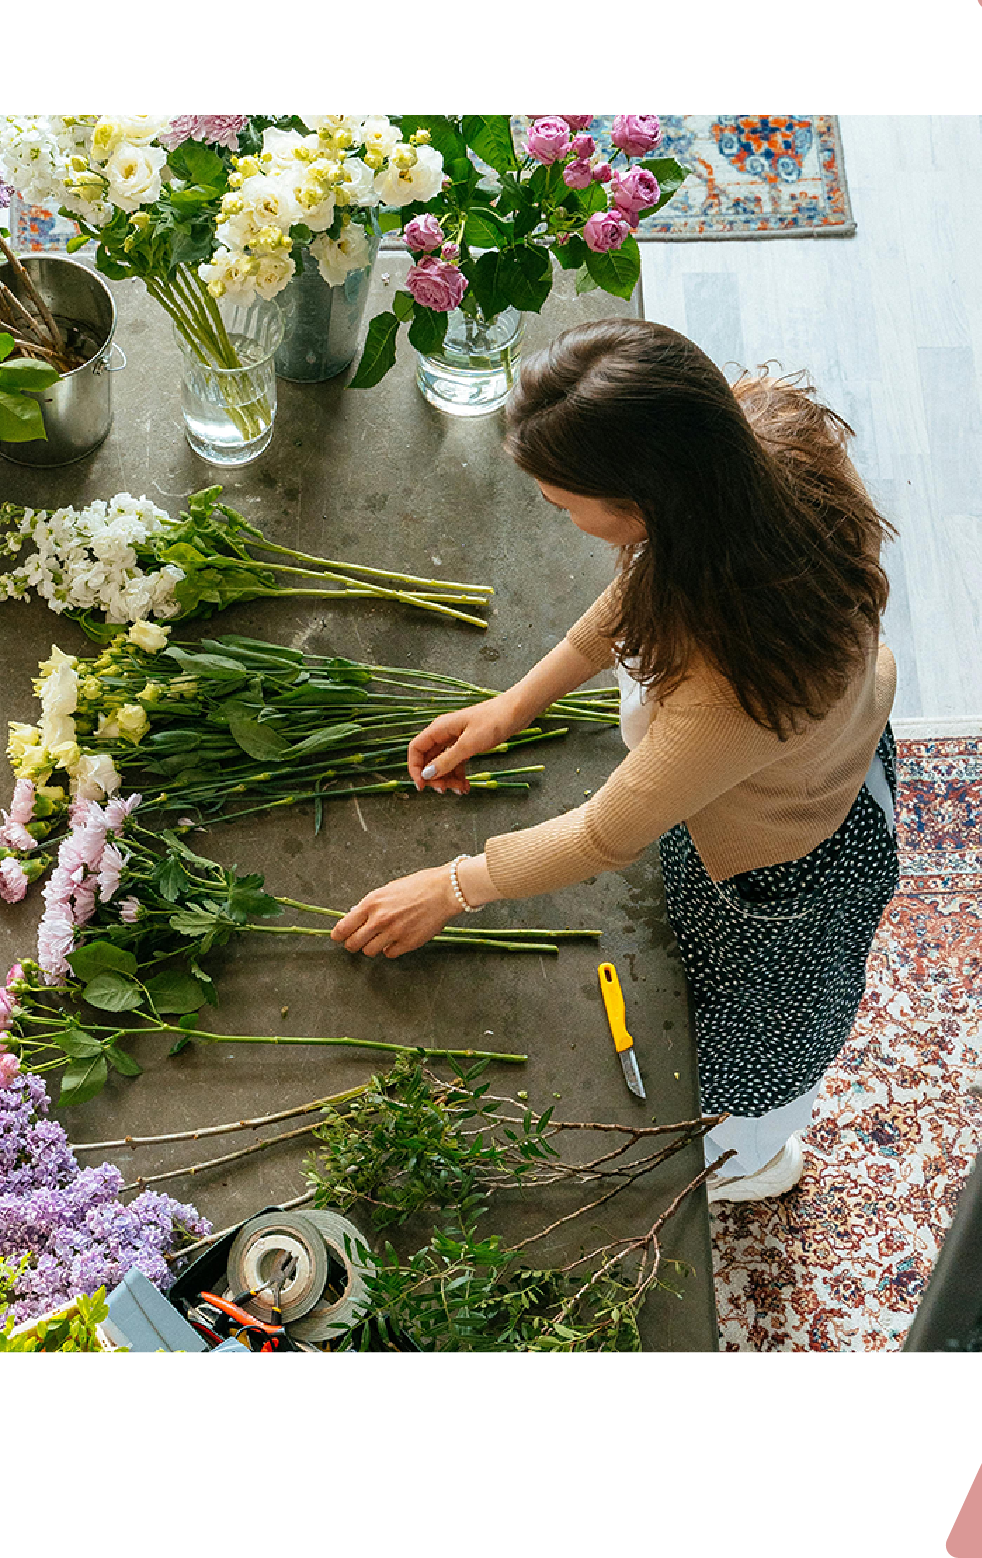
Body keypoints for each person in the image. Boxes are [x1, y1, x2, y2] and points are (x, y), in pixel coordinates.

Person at [330, 317, 900, 1203]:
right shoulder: (756, 444)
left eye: (565, 503)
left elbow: (606, 833)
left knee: (749, 1047)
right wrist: (514, 703)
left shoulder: (734, 684)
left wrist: (450, 886)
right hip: (815, 757)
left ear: (645, 502)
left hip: (780, 859)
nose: (557, 516)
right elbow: (642, 589)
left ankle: (752, 1161)